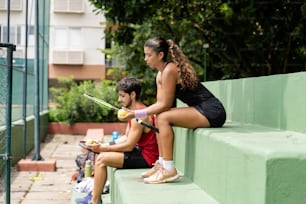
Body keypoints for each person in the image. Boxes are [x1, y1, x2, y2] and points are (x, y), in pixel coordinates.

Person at [118, 37, 226, 184]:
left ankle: (169, 169)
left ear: (160, 55)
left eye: (149, 55)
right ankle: (161, 164)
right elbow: (160, 106)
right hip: (199, 109)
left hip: (212, 111)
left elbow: (165, 104)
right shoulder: (160, 74)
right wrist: (138, 113)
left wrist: (135, 113)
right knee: (158, 116)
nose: (145, 59)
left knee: (163, 118)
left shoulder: (169, 70)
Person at [76, 77, 159, 204]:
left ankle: (95, 201)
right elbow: (126, 137)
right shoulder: (133, 113)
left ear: (133, 94)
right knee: (101, 156)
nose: (119, 100)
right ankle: (94, 197)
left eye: (122, 96)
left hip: (147, 158)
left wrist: (102, 149)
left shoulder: (140, 114)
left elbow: (129, 146)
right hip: (139, 152)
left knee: (101, 159)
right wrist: (103, 145)